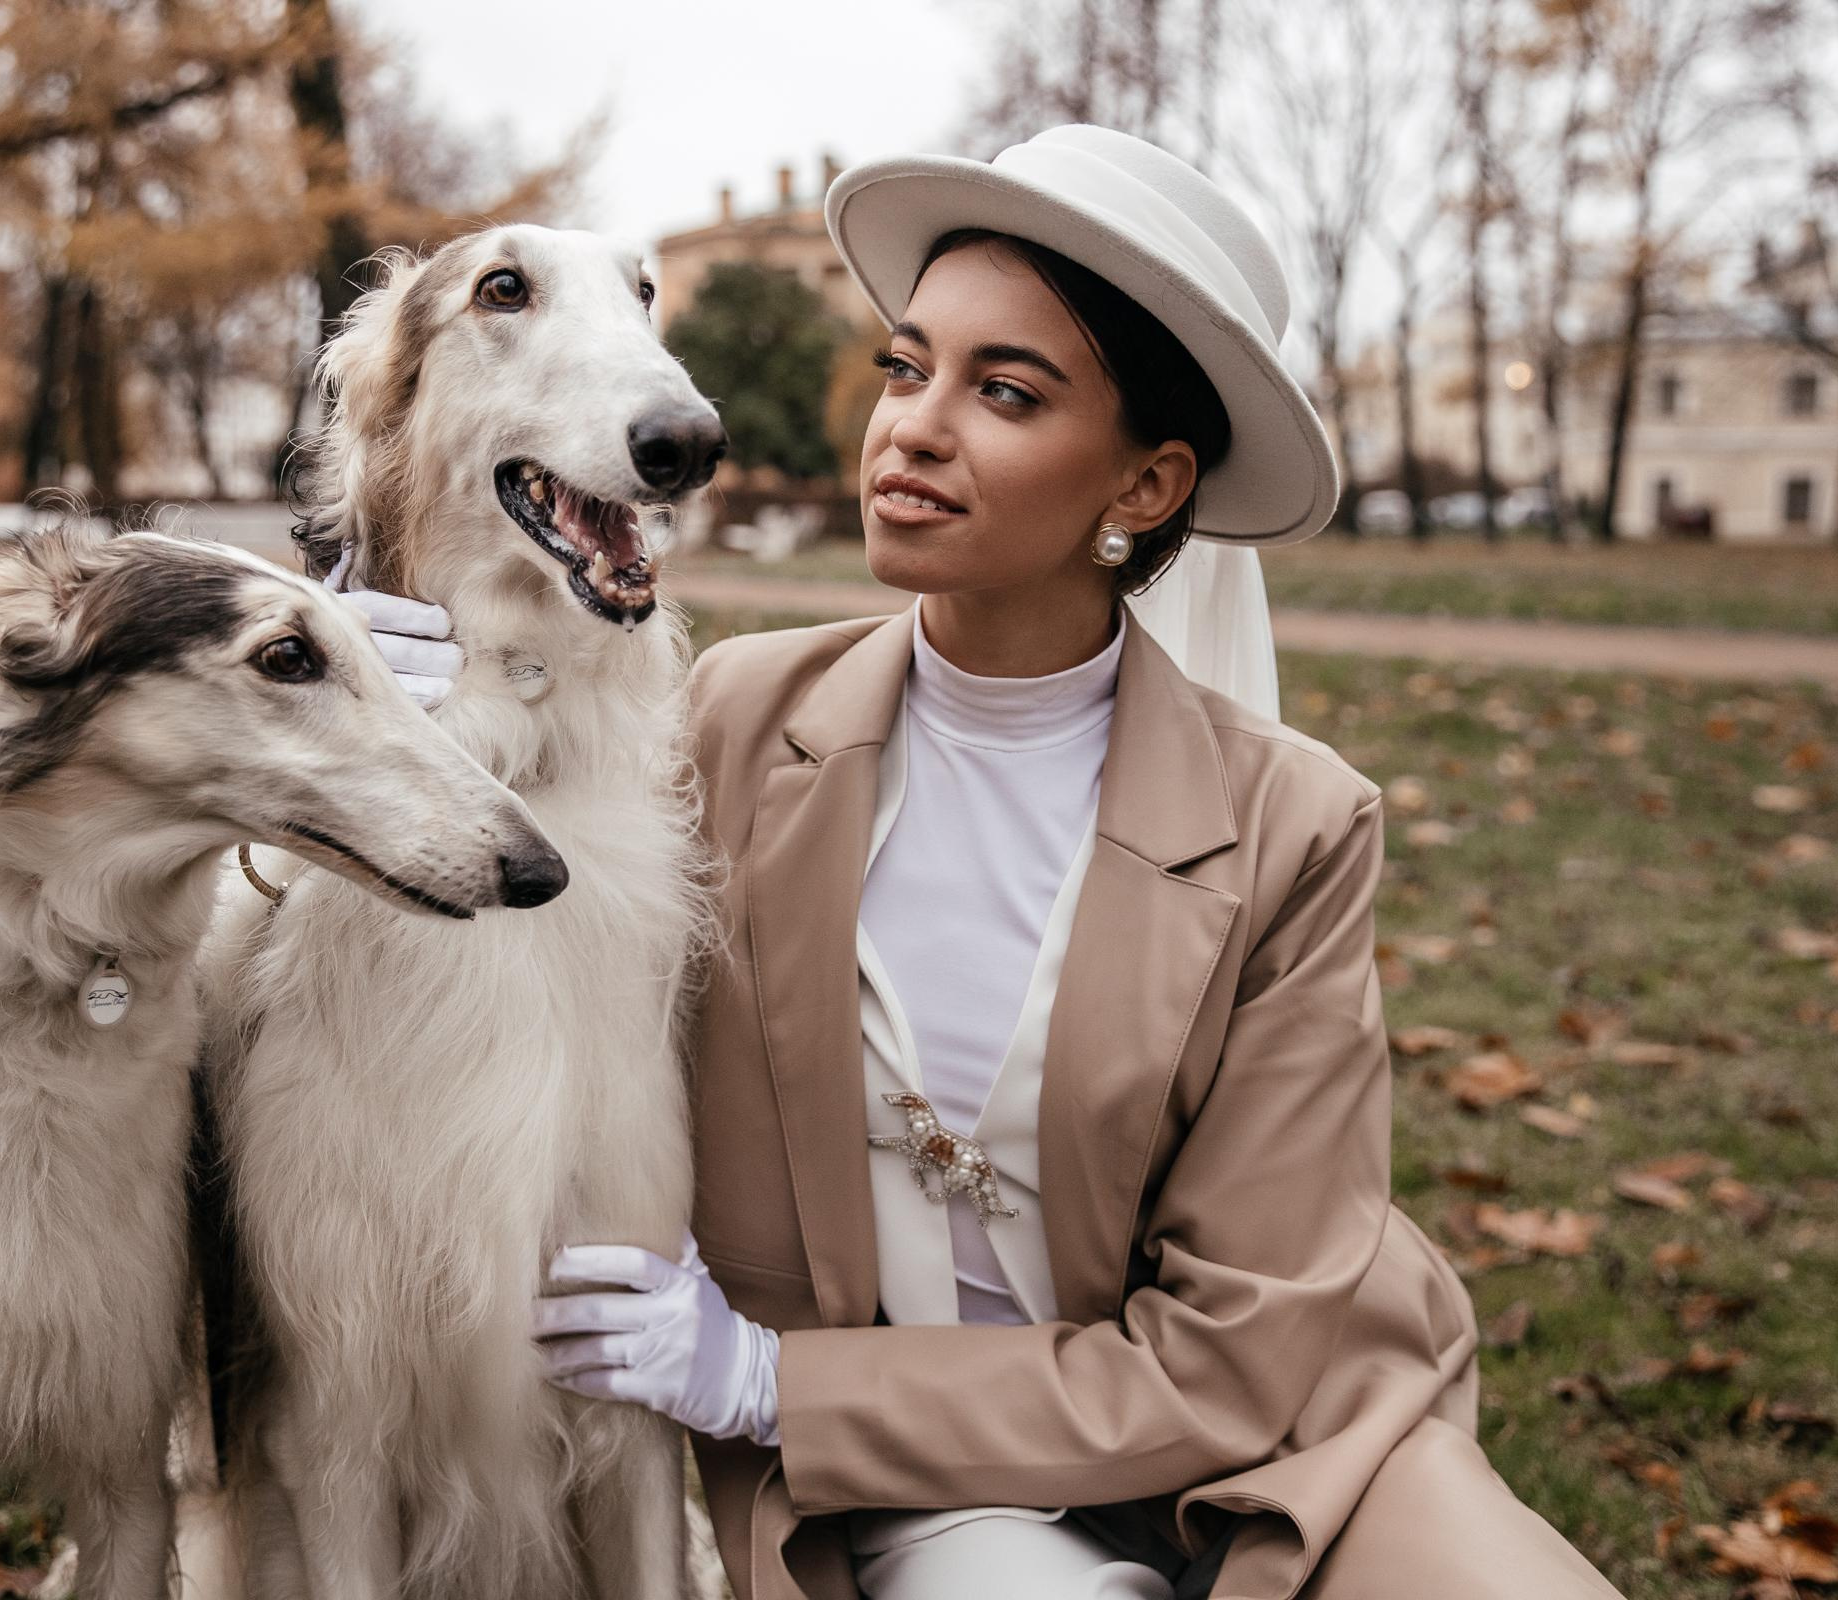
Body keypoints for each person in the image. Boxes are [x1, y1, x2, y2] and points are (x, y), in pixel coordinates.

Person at [354, 127, 1626, 1600]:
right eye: (908, 369)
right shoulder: (721, 723)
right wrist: (354, 699)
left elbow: (1232, 1362)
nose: (912, 429)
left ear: (1145, 488)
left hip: (1288, 1441)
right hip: (904, 1473)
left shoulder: (1301, 827)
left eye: (1004, 392)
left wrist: (769, 1380)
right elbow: (487, 903)